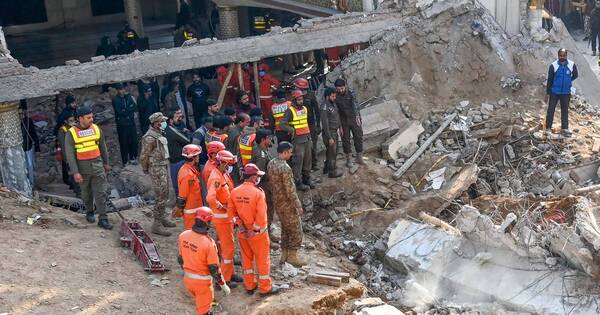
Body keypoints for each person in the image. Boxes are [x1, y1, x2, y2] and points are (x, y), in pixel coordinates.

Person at [228, 163, 280, 296]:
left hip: (242, 233)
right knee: (262, 260)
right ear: (252, 177)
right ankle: (265, 288)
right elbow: (261, 216)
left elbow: (231, 214)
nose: (258, 178)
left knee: (246, 259)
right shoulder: (258, 193)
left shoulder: (234, 192)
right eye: (257, 176)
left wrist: (241, 226)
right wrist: (254, 230)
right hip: (258, 235)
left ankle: (249, 285)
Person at [64, 106, 112, 230]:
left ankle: (103, 218)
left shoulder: (96, 129)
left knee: (101, 193)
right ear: (80, 118)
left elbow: (103, 147)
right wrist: (75, 172)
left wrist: (106, 163)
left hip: (98, 167)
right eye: (88, 117)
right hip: (83, 170)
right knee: (86, 194)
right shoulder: (71, 133)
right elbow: (70, 155)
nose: (92, 119)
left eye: (92, 117)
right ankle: (89, 211)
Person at [178, 207, 231, 315]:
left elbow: (180, 259)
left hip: (187, 280)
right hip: (203, 285)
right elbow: (214, 269)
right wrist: (223, 285)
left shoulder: (183, 236)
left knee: (202, 307)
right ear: (208, 222)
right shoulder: (209, 244)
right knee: (203, 311)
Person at [206, 150, 243, 285]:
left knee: (227, 247)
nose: (230, 167)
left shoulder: (223, 174)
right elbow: (210, 198)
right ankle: (224, 280)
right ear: (223, 163)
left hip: (226, 217)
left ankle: (230, 273)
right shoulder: (216, 177)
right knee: (228, 249)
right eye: (229, 164)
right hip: (222, 218)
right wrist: (222, 206)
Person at [267, 142, 305, 267]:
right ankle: (292, 256)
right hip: (287, 203)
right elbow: (290, 189)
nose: (291, 154)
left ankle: (284, 254)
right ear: (285, 152)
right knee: (295, 229)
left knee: (285, 228)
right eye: (290, 151)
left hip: (277, 202)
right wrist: (298, 205)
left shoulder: (271, 163)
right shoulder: (285, 168)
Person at [140, 112, 176, 236]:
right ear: (155, 123)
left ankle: (161, 218)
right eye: (161, 121)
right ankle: (156, 224)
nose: (164, 123)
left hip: (163, 165)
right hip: (156, 168)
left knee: (165, 193)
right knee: (161, 195)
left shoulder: (159, 133)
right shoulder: (149, 137)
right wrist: (145, 168)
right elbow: (144, 155)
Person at [280, 89, 313, 191]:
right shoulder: (290, 111)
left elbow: (305, 122)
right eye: (299, 99)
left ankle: (307, 179)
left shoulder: (304, 109)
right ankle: (298, 183)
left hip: (307, 138)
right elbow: (282, 124)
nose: (301, 101)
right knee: (298, 161)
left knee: (308, 160)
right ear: (294, 100)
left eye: (301, 98)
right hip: (298, 140)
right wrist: (292, 130)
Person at [545, 48, 578, 136]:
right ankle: (548, 128)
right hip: (554, 92)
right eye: (560, 55)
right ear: (558, 55)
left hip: (566, 93)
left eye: (564, 56)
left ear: (566, 56)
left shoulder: (572, 65)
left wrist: (568, 81)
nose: (562, 57)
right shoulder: (553, 65)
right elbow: (550, 80)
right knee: (551, 110)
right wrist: (547, 93)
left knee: (565, 111)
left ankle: (565, 128)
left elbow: (575, 75)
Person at [250, 129, 277, 239]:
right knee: (268, 209)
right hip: (264, 186)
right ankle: (267, 234)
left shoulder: (261, 150)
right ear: (263, 140)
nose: (271, 140)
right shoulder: (261, 155)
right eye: (268, 138)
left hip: (265, 185)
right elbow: (259, 174)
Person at [173, 144, 205, 230]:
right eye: (197, 155)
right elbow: (183, 195)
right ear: (194, 157)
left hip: (196, 209)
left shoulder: (191, 169)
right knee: (192, 233)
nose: (199, 157)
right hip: (191, 211)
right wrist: (179, 208)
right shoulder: (187, 174)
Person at [334, 79, 365, 166]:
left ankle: (359, 157)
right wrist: (339, 125)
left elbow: (355, 105)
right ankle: (348, 159)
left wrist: (357, 116)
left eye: (342, 88)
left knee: (358, 137)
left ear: (345, 86)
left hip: (354, 118)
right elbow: (336, 111)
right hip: (343, 120)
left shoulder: (351, 93)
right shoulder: (335, 96)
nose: (340, 91)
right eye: (338, 89)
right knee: (345, 139)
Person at [294, 78, 321, 171]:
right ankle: (305, 166)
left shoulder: (311, 95)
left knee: (313, 144)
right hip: (300, 125)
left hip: (311, 123)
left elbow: (317, 110)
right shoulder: (295, 97)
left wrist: (318, 124)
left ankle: (314, 163)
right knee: (304, 146)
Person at [112, 83, 139, 165]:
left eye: (123, 89)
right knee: (124, 142)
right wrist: (128, 109)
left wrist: (126, 110)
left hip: (131, 123)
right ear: (117, 90)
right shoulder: (115, 99)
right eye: (121, 89)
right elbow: (120, 112)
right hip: (122, 125)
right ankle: (125, 161)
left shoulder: (128, 97)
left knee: (133, 141)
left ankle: (133, 157)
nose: (123, 91)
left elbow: (134, 106)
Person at [165, 111, 191, 196]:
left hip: (173, 161)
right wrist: (186, 132)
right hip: (179, 160)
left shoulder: (165, 130)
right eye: (176, 117)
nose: (179, 119)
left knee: (177, 185)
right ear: (171, 120)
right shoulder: (172, 130)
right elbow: (187, 141)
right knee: (182, 184)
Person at [320, 88, 343, 178]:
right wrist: (329, 137)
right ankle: (332, 172)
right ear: (327, 97)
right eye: (332, 96)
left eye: (335, 96)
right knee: (333, 153)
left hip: (335, 131)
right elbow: (325, 124)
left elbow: (337, 116)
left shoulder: (333, 104)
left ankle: (327, 167)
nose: (334, 98)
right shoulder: (324, 107)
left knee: (331, 152)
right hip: (329, 133)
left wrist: (340, 127)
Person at [56, 113, 81, 196]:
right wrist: (67, 158)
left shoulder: (75, 128)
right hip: (69, 155)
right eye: (70, 121)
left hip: (78, 154)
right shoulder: (62, 130)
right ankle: (77, 191)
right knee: (73, 173)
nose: (73, 122)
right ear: (65, 121)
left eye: (74, 120)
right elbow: (63, 145)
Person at [20, 110, 40, 187]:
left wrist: (37, 147)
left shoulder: (28, 121)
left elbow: (33, 133)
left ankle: (31, 184)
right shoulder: (14, 123)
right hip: (20, 148)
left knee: (30, 165)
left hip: (28, 146)